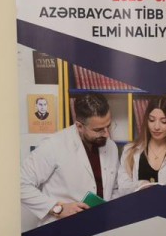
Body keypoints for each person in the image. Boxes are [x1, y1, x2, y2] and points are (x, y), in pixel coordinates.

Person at [20, 93, 119, 229]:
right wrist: (58, 208)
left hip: (99, 230)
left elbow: (113, 189)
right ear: (79, 126)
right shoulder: (53, 145)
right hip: (61, 231)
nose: (107, 134)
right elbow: (20, 184)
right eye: (98, 130)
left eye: (108, 126)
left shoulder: (111, 146)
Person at [116, 96, 166, 196]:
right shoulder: (130, 150)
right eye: (152, 120)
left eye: (164, 121)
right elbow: (122, 189)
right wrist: (140, 185)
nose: (156, 127)